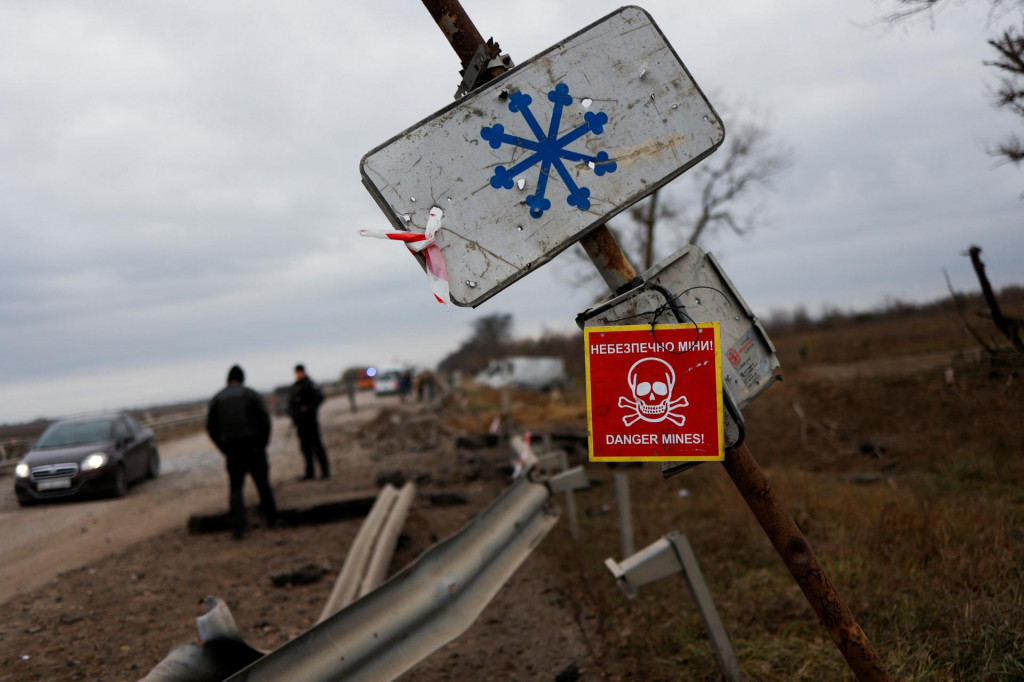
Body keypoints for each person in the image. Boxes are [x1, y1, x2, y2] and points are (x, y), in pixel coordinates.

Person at [206, 365, 278, 540]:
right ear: (242, 378)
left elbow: (211, 428)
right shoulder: (251, 395)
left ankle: (238, 528)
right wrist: (263, 444)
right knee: (263, 485)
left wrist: (224, 448)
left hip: (233, 451)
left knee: (236, 490)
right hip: (254, 448)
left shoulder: (217, 399)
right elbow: (265, 421)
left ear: (228, 379)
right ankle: (272, 520)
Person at [289, 363, 330, 480]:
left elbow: (319, 398)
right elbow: (291, 404)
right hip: (300, 424)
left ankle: (325, 471)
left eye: (300, 372)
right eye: (297, 372)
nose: (299, 374)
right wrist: (295, 415)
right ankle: (309, 473)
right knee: (305, 449)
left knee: (317, 447)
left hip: (310, 422)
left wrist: (308, 409)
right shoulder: (296, 387)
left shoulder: (310, 385)